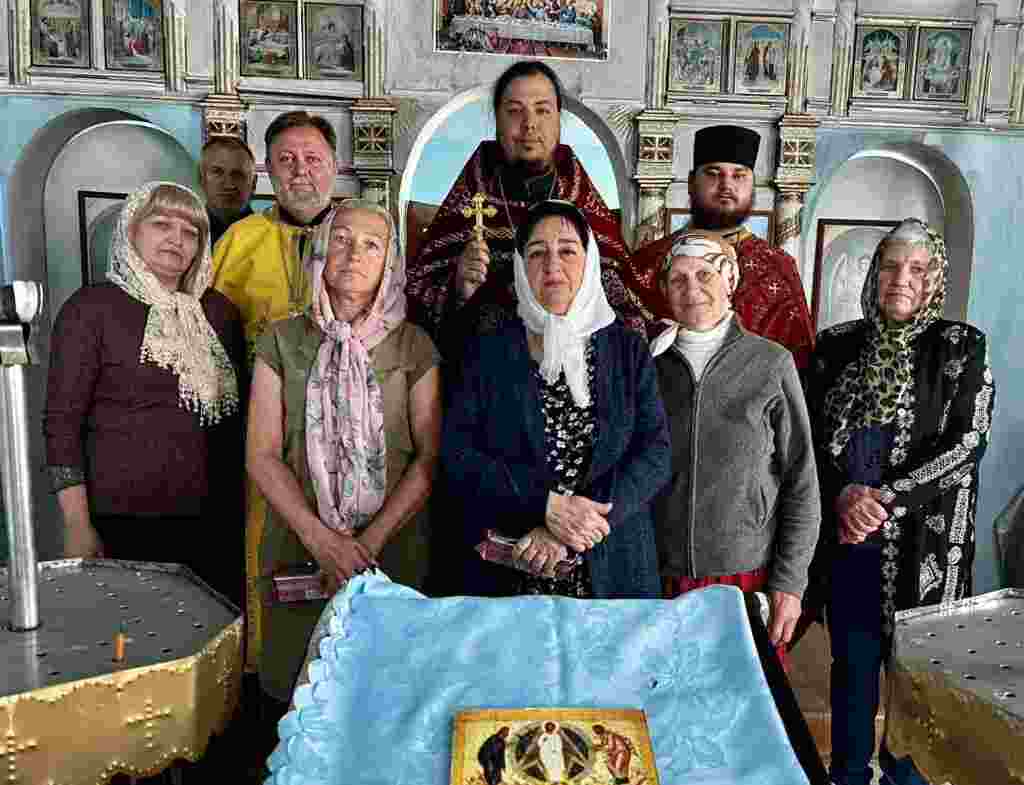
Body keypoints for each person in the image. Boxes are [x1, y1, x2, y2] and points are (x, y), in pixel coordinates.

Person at [805, 219, 995, 785]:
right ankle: (847, 774)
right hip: (851, 539)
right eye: (890, 265)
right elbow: (809, 438)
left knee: (918, 678)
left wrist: (884, 498)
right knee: (852, 666)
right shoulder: (837, 347)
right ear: (874, 272)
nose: (901, 279)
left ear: (936, 277)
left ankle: (906, 778)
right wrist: (844, 495)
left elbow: (967, 442)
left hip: (924, 543)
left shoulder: (960, 345)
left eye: (918, 268)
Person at [246, 200, 441, 708]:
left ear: (389, 263)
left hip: (391, 549)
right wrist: (323, 542)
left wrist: (365, 547)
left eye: (372, 245)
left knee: (385, 700)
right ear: (320, 250)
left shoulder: (414, 346)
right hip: (298, 546)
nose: (355, 253)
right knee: (299, 698)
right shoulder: (281, 340)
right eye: (342, 239)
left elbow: (428, 458)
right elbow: (262, 454)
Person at [442, 200, 670, 599]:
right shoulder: (488, 351)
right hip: (513, 567)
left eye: (567, 250)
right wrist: (544, 506)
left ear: (589, 260)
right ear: (519, 265)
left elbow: (654, 453)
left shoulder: (627, 350)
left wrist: (574, 525)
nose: (552, 265)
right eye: (536, 253)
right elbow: (460, 454)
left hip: (612, 563)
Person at [44, 182, 245, 606]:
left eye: (191, 232)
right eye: (161, 224)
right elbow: (61, 424)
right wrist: (77, 524)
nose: (177, 239)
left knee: (213, 636)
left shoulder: (220, 312)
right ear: (131, 231)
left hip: (214, 521)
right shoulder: (91, 308)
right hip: (121, 520)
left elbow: (235, 426)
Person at [405, 60, 647, 366]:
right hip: (488, 367)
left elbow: (624, 303)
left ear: (559, 121)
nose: (529, 123)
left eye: (542, 110)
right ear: (497, 121)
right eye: (514, 111)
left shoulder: (582, 201)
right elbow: (418, 300)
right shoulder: (470, 197)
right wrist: (458, 286)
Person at [651, 230, 820, 657]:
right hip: (659, 576)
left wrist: (790, 583)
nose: (692, 289)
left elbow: (802, 483)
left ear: (730, 281)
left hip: (745, 576)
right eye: (678, 278)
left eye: (705, 275)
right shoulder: (647, 363)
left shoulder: (770, 363)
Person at [212, 110, 338, 665]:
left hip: (349, 431)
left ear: (335, 165)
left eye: (312, 158)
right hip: (261, 430)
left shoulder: (362, 233)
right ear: (267, 169)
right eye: (286, 159)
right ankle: (269, 673)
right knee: (266, 549)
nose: (300, 170)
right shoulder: (240, 241)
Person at [629, 125, 815, 369]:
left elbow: (799, 362)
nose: (726, 185)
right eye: (713, 173)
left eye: (739, 175)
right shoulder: (649, 261)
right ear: (691, 183)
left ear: (752, 186)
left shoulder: (777, 266)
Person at [199, 136, 258, 249]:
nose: (228, 184)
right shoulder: (184, 234)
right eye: (217, 172)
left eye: (238, 174)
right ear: (202, 179)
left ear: (254, 183)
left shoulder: (273, 238)